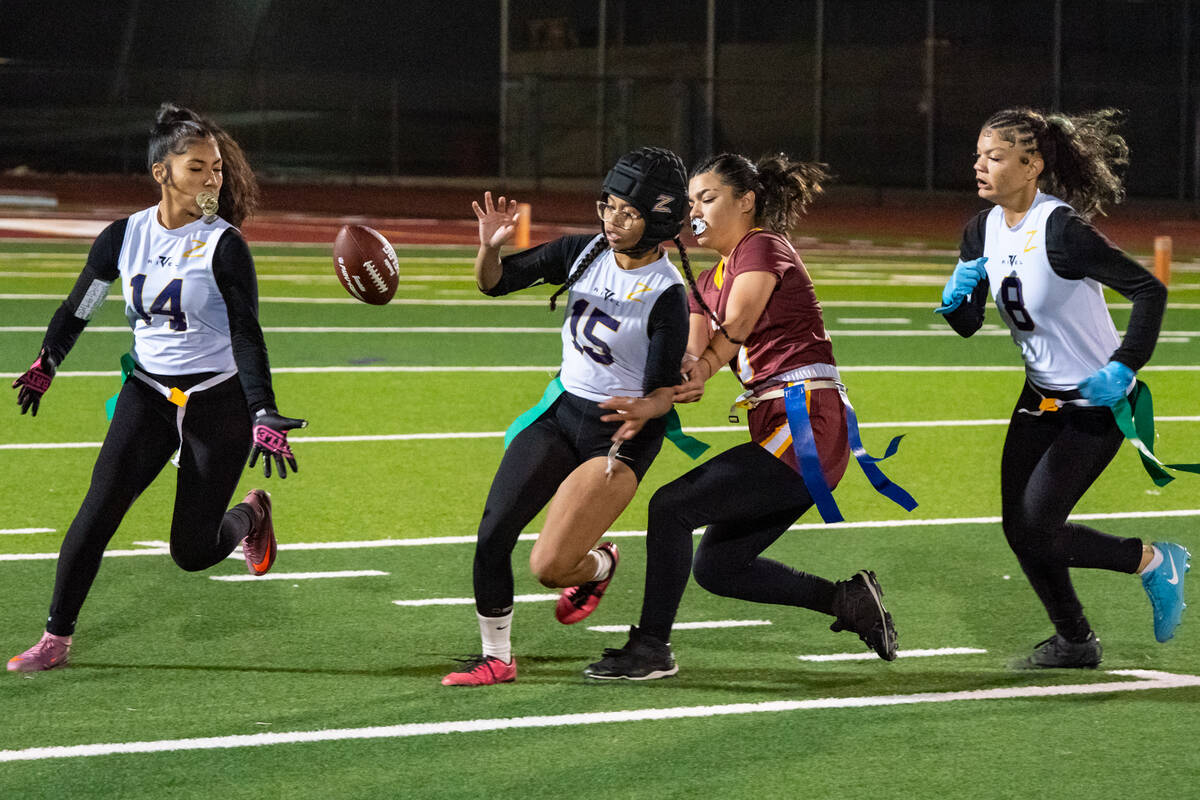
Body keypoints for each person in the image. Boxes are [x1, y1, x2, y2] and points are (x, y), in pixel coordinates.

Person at [585, 153, 910, 681]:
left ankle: (650, 647)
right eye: (690, 203)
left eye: (708, 199)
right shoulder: (701, 282)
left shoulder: (761, 245)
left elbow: (735, 324)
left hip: (806, 426)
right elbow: (689, 360)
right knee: (719, 568)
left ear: (746, 201)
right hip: (778, 429)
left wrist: (707, 362)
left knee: (671, 508)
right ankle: (847, 601)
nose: (696, 211)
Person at [7, 103, 306, 673]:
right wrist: (48, 361)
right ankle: (55, 638)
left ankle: (251, 515)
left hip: (216, 403)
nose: (212, 179)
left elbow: (247, 333)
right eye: (197, 168)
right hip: (147, 394)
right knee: (96, 513)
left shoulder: (225, 245)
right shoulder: (124, 236)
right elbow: (79, 308)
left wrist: (262, 410)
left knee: (191, 553)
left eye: (216, 168)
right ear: (161, 172)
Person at [935, 107, 1187, 668]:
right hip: (1039, 398)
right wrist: (957, 298)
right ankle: (1075, 641)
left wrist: (1124, 365)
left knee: (1039, 528)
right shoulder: (980, 229)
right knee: (1019, 529)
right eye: (978, 155)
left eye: (994, 157)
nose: (979, 166)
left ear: (1032, 166)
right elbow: (970, 323)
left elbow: (1150, 291)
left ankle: (1152, 561)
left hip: (1096, 406)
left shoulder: (1063, 230)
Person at [441, 147, 692, 686]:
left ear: (661, 219)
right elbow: (494, 283)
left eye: (629, 211)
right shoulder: (584, 252)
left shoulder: (668, 294)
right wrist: (488, 248)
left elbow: (662, 391)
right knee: (493, 533)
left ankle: (597, 565)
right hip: (561, 410)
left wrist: (648, 406)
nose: (612, 219)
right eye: (609, 205)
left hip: (619, 432)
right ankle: (497, 656)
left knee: (549, 569)